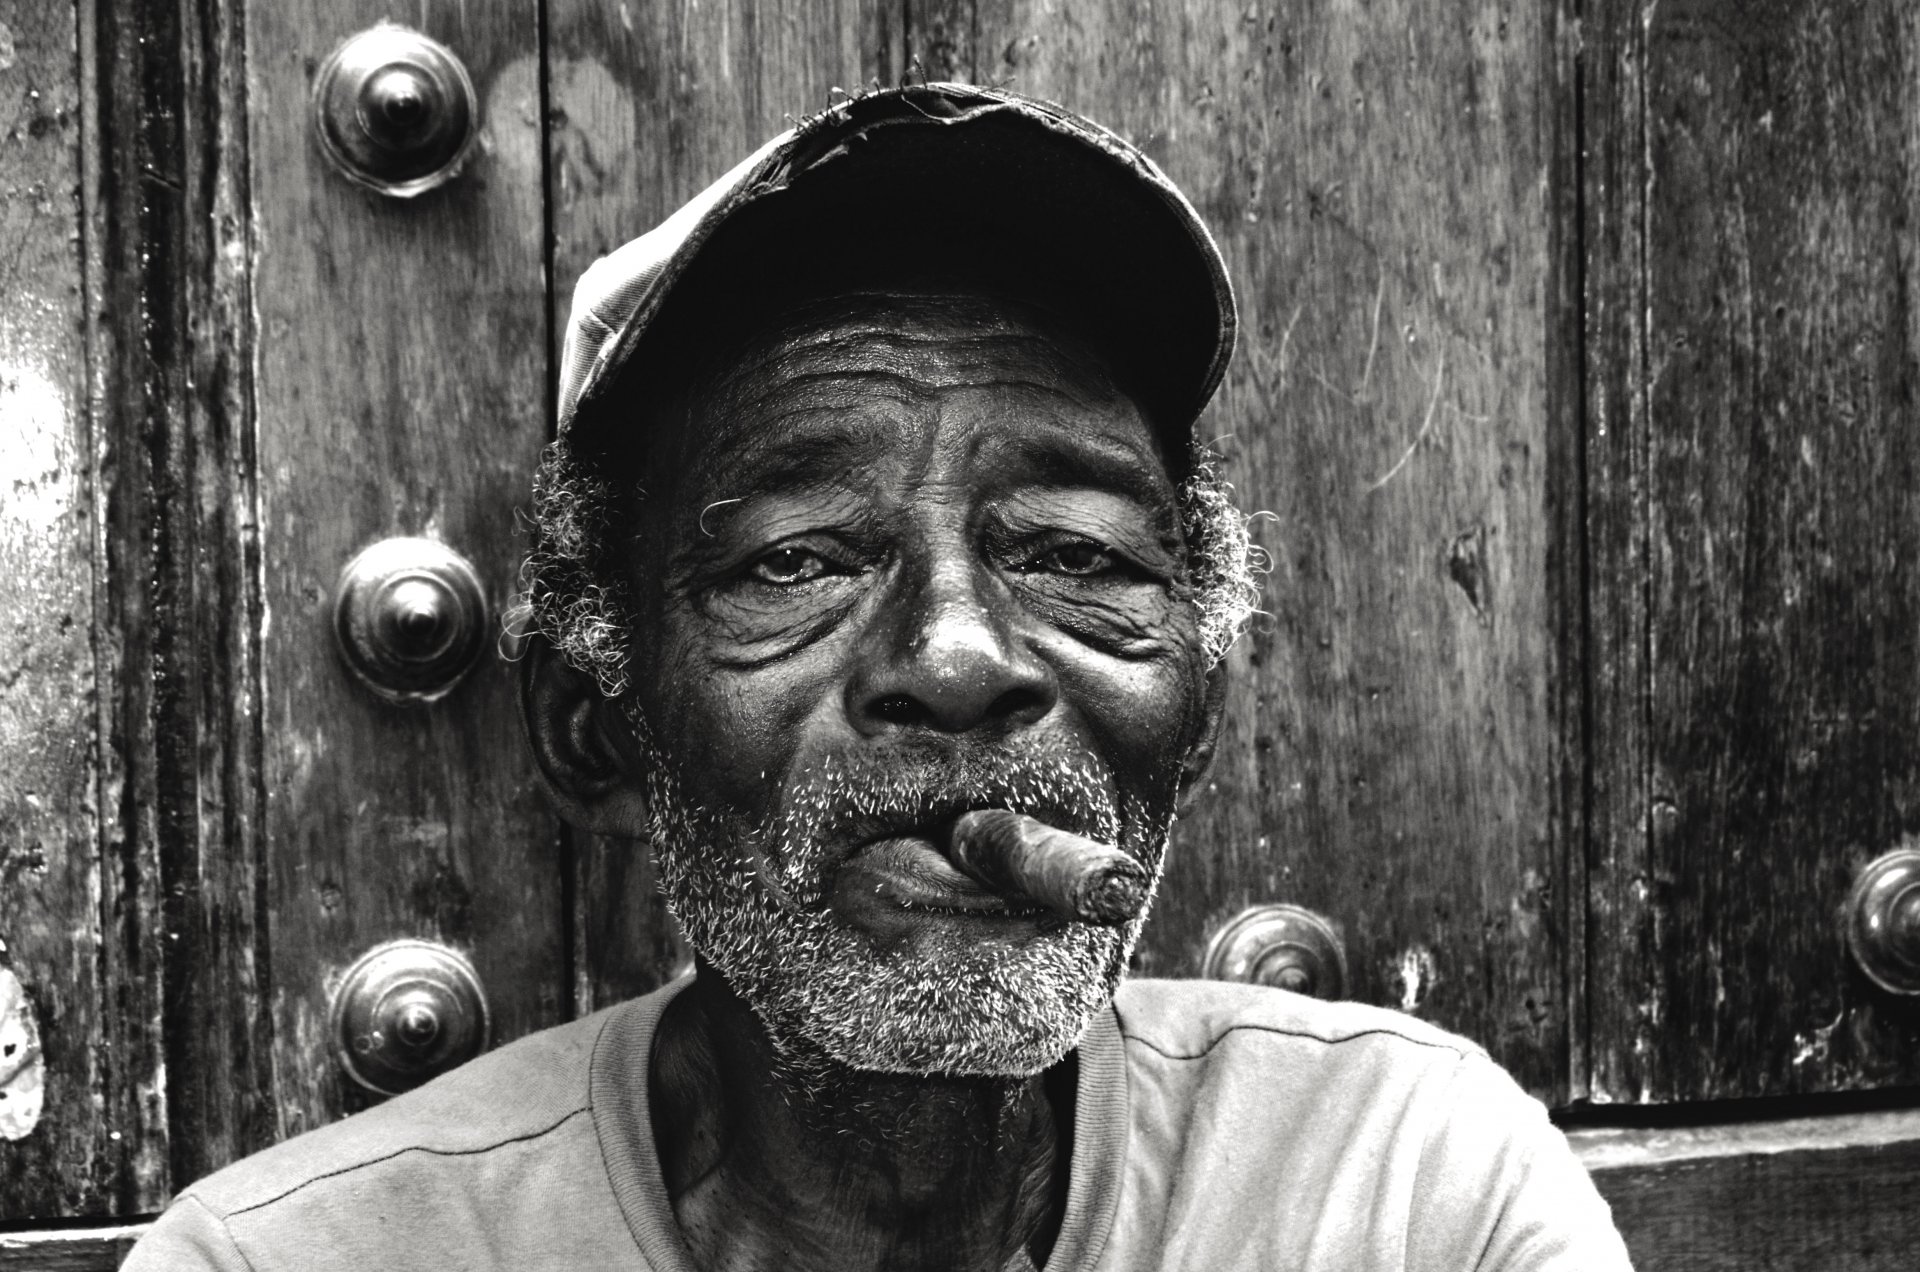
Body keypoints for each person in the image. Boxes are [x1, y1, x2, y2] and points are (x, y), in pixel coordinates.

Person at [126, 82, 1632, 1272]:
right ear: (598, 730)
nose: (961, 658)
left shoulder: (1409, 1189)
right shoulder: (292, 1260)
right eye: (797, 561)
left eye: (1079, 554)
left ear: (1202, 703)